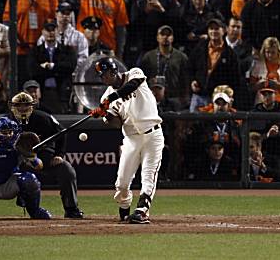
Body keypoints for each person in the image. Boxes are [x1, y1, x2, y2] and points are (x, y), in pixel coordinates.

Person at [89, 57, 164, 224]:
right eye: (101, 76)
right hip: (131, 139)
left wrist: (111, 99)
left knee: (148, 175)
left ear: (114, 71)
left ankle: (142, 210)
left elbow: (131, 86)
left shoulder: (134, 74)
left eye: (105, 74)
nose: (103, 78)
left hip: (153, 135)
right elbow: (116, 123)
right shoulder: (105, 98)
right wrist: (105, 114)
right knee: (122, 183)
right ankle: (125, 206)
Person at [4, 0, 59, 89]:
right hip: (22, 49)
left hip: (42, 50)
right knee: (22, 84)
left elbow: (55, 20)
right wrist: (15, 39)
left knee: (42, 86)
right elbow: (7, 21)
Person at [188, 18, 241, 112]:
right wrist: (192, 81)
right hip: (198, 96)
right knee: (194, 125)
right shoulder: (200, 48)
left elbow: (235, 79)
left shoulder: (230, 54)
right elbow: (189, 68)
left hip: (218, 101)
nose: (213, 31)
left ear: (224, 30)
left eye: (217, 28)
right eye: (211, 29)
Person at [29, 20, 77, 114]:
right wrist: (57, 70)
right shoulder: (35, 51)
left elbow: (70, 67)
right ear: (43, 32)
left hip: (62, 93)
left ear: (57, 31)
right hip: (42, 93)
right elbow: (33, 71)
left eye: (53, 30)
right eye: (47, 30)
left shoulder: (67, 50)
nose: (50, 32)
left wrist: (50, 66)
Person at [139, 25, 191, 109]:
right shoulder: (148, 56)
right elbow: (142, 79)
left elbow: (186, 78)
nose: (165, 37)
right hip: (153, 98)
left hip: (175, 98)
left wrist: (185, 98)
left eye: (168, 35)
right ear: (157, 37)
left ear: (172, 38)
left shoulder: (181, 57)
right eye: (162, 34)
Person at [251, 88, 280, 178]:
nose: (267, 97)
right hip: (262, 155)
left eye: (269, 94)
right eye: (264, 94)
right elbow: (249, 139)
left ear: (275, 94)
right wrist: (266, 136)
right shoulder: (253, 114)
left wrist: (279, 134)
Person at [37, 2, 88, 69]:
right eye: (62, 13)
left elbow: (83, 58)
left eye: (68, 14)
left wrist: (70, 70)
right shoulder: (45, 37)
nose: (65, 16)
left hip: (73, 74)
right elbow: (39, 58)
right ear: (56, 14)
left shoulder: (79, 37)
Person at [249, 37, 280, 109]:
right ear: (264, 52)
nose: (270, 55)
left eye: (273, 52)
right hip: (262, 105)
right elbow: (251, 87)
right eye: (267, 52)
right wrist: (260, 84)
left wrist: (277, 85)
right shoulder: (258, 65)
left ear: (278, 51)